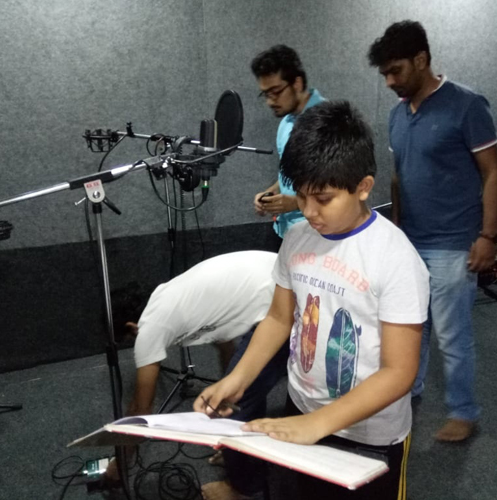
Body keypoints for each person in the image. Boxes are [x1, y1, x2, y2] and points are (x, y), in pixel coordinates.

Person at [194, 101, 430, 500]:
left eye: (323, 198)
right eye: (301, 197)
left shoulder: (396, 259)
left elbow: (399, 372)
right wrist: (238, 379)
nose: (308, 211)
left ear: (363, 187)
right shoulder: (298, 238)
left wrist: (319, 423)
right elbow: (278, 319)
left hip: (368, 434)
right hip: (301, 408)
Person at [368, 20, 497, 442]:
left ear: (421, 59)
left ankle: (464, 412)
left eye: (396, 71)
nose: (389, 81)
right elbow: (398, 177)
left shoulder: (466, 105)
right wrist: (395, 234)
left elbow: (493, 172)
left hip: (454, 243)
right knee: (411, 326)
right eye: (384, 73)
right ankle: (409, 389)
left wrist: (488, 237)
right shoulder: (397, 114)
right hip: (410, 242)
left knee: (452, 334)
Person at [103, 250, 285, 484]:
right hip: (276, 276)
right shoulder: (172, 297)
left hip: (283, 294)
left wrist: (120, 464)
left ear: (131, 326)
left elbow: (141, 408)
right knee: (240, 394)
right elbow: (225, 344)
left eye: (130, 339)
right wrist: (228, 383)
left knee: (239, 401)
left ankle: (244, 487)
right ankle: (242, 451)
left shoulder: (151, 325)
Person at [251, 44, 325, 240]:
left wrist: (294, 203)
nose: (270, 101)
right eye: (266, 94)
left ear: (297, 84)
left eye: (276, 92)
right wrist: (270, 194)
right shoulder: (286, 122)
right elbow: (289, 175)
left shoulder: (328, 122)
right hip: (287, 231)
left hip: (318, 234)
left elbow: (342, 191)